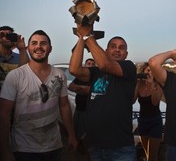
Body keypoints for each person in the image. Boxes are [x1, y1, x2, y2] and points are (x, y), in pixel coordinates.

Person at [0, 30, 78, 161]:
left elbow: (64, 105)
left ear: (50, 48)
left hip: (54, 145)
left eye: (43, 43)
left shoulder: (59, 75)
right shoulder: (15, 76)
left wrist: (71, 134)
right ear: (29, 48)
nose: (38, 46)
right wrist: (4, 150)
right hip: (23, 148)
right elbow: (4, 113)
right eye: (34, 43)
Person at [69, 24, 137, 161]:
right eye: (113, 46)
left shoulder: (129, 67)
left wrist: (88, 36)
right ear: (105, 51)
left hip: (120, 147)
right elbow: (74, 69)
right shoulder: (96, 72)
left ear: (126, 54)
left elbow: (105, 64)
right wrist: (82, 38)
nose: (117, 50)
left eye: (121, 48)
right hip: (95, 145)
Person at [133, 62, 164, 161]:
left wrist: (151, 84)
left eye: (152, 71)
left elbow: (155, 102)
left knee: (152, 155)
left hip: (155, 121)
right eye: (148, 70)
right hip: (143, 121)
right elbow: (132, 100)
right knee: (147, 152)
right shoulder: (139, 85)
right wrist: (137, 84)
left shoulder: (158, 85)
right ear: (143, 72)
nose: (150, 73)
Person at [68, 58, 95, 160]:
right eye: (89, 63)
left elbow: (89, 91)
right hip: (78, 110)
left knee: (85, 139)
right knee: (75, 135)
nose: (91, 65)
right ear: (85, 65)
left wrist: (79, 89)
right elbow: (70, 86)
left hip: (88, 112)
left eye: (93, 64)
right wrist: (83, 88)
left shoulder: (95, 78)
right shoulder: (80, 77)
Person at [0, 26, 29, 90]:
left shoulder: (20, 57)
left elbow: (26, 73)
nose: (8, 38)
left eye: (10, 35)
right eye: (3, 35)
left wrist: (22, 49)